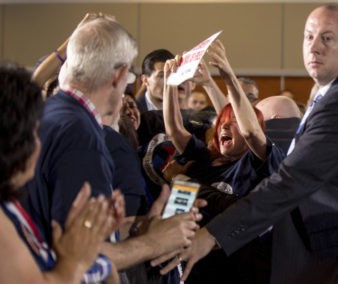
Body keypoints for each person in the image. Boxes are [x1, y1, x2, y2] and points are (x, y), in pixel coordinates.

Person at [153, 4, 338, 283]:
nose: (314, 47)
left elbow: (290, 182)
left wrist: (211, 235)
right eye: (308, 37)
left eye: (327, 38)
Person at [25, 15, 202, 277]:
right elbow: (79, 255)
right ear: (119, 75)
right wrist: (155, 242)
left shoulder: (50, 113)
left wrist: (140, 225)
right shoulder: (80, 135)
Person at [162, 40, 284, 284]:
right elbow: (175, 129)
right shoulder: (204, 158)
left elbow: (251, 133)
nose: (226, 125)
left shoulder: (259, 162)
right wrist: (169, 84)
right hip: (189, 268)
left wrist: (227, 74)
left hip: (234, 271)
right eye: (223, 123)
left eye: (235, 123)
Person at [0, 62, 123, 283]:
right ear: (16, 141)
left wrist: (85, 237)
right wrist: (73, 261)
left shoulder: (9, 204)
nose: (39, 144)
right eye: (36, 133)